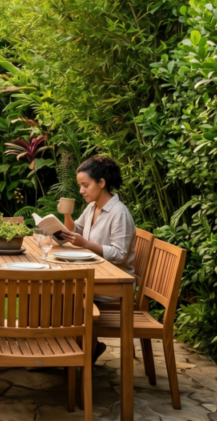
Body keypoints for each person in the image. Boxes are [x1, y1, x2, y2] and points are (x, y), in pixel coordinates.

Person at [61, 155, 137, 362]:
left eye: (85, 185)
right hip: (93, 277)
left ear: (101, 183)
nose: (81, 191)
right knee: (52, 293)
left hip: (113, 286)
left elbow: (120, 254)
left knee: (59, 296)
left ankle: (77, 351)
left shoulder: (119, 213)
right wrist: (66, 215)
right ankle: (66, 349)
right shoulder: (92, 207)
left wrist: (85, 244)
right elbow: (76, 229)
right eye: (80, 186)